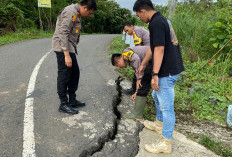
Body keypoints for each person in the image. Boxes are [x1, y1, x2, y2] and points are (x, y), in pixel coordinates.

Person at [133, 0, 185, 154]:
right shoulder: (161, 20)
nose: (139, 19)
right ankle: (159, 124)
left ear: (143, 11)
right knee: (156, 95)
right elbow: (152, 46)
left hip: (166, 70)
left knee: (167, 107)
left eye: (138, 15)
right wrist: (143, 63)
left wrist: (154, 74)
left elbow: (160, 49)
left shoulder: (156, 23)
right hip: (169, 67)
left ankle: (165, 142)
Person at [52, 0, 97, 114]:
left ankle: (72, 100)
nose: (89, 15)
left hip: (69, 46)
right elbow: (63, 32)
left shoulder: (77, 13)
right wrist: (66, 55)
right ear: (85, 8)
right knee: (64, 75)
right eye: (90, 13)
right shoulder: (70, 11)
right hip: (63, 47)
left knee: (74, 73)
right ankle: (63, 104)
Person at [111, 46, 152, 121]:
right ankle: (138, 113)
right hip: (152, 61)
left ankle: (137, 115)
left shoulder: (125, 54)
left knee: (142, 84)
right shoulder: (128, 61)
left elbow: (136, 59)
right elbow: (137, 72)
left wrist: (139, 78)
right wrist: (136, 92)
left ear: (118, 61)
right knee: (142, 84)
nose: (119, 67)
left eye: (117, 65)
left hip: (152, 60)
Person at [122, 22, 150, 95]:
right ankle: (135, 89)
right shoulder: (137, 30)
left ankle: (137, 90)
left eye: (127, 30)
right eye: (125, 32)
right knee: (137, 67)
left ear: (131, 26)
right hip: (148, 52)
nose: (127, 33)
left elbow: (138, 49)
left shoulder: (136, 31)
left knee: (138, 68)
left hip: (149, 53)